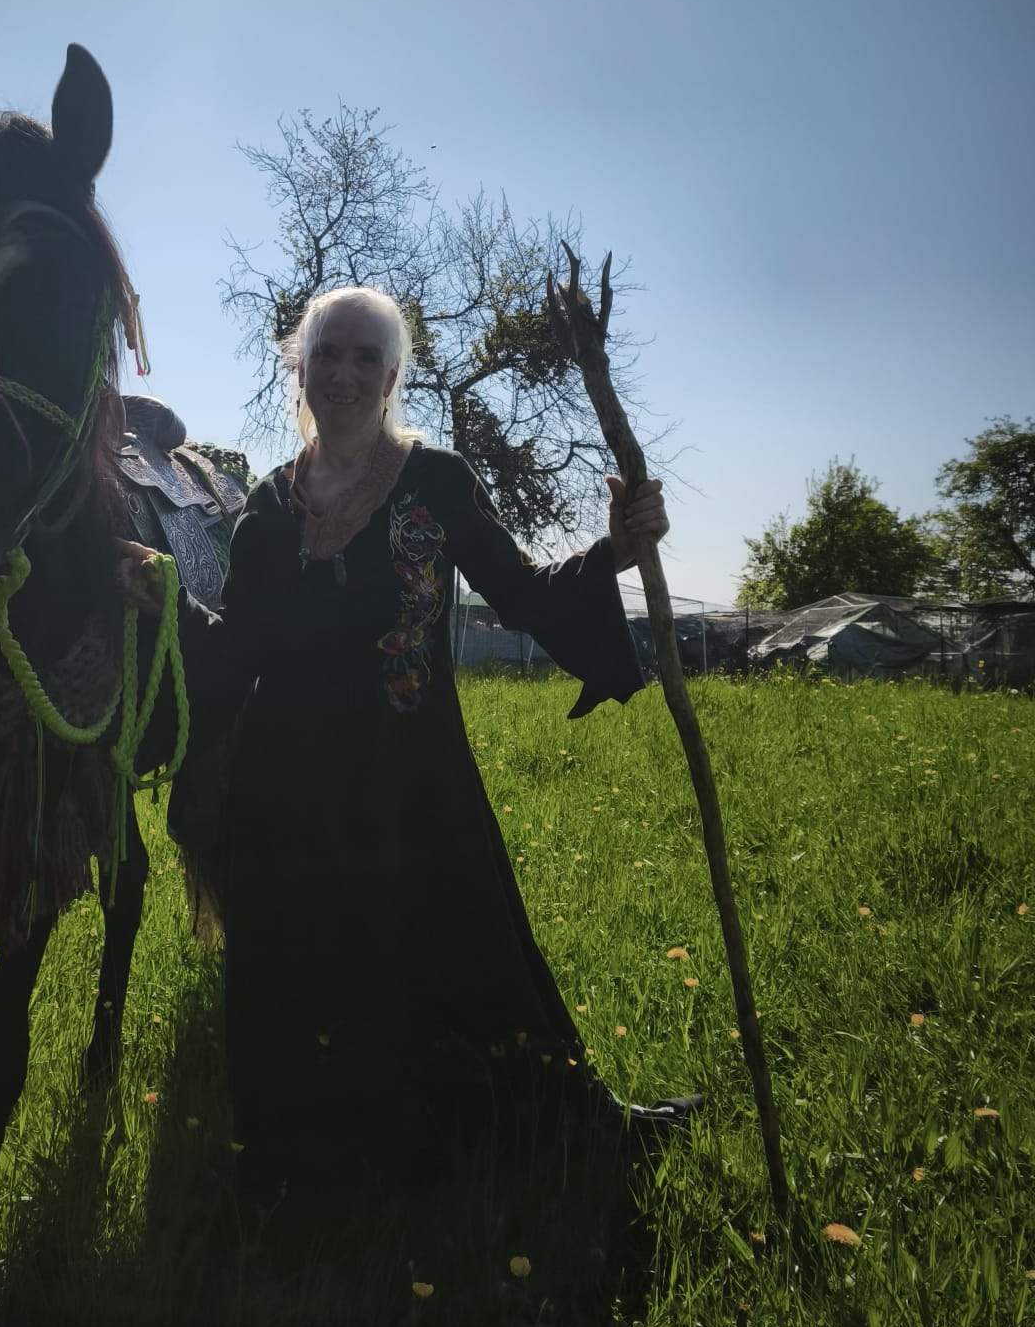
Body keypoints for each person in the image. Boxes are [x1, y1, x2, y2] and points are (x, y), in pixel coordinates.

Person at [175, 284, 701, 1202]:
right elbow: (234, 654)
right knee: (294, 975)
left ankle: (557, 1134)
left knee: (473, 955)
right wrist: (165, 605)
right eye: (325, 353)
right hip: (286, 799)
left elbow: (527, 595)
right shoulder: (263, 509)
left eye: (364, 357)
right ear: (299, 367)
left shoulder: (437, 482)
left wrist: (617, 548)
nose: (342, 372)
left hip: (410, 787)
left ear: (390, 377)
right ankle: (308, 1174)